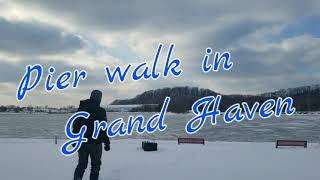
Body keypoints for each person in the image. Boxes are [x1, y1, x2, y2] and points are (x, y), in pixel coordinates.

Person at [73, 90, 110, 180]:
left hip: (82, 143)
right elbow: (103, 129)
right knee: (95, 166)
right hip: (95, 144)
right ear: (99, 98)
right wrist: (107, 143)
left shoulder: (81, 109)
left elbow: (75, 125)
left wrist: (74, 140)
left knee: (81, 165)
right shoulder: (101, 111)